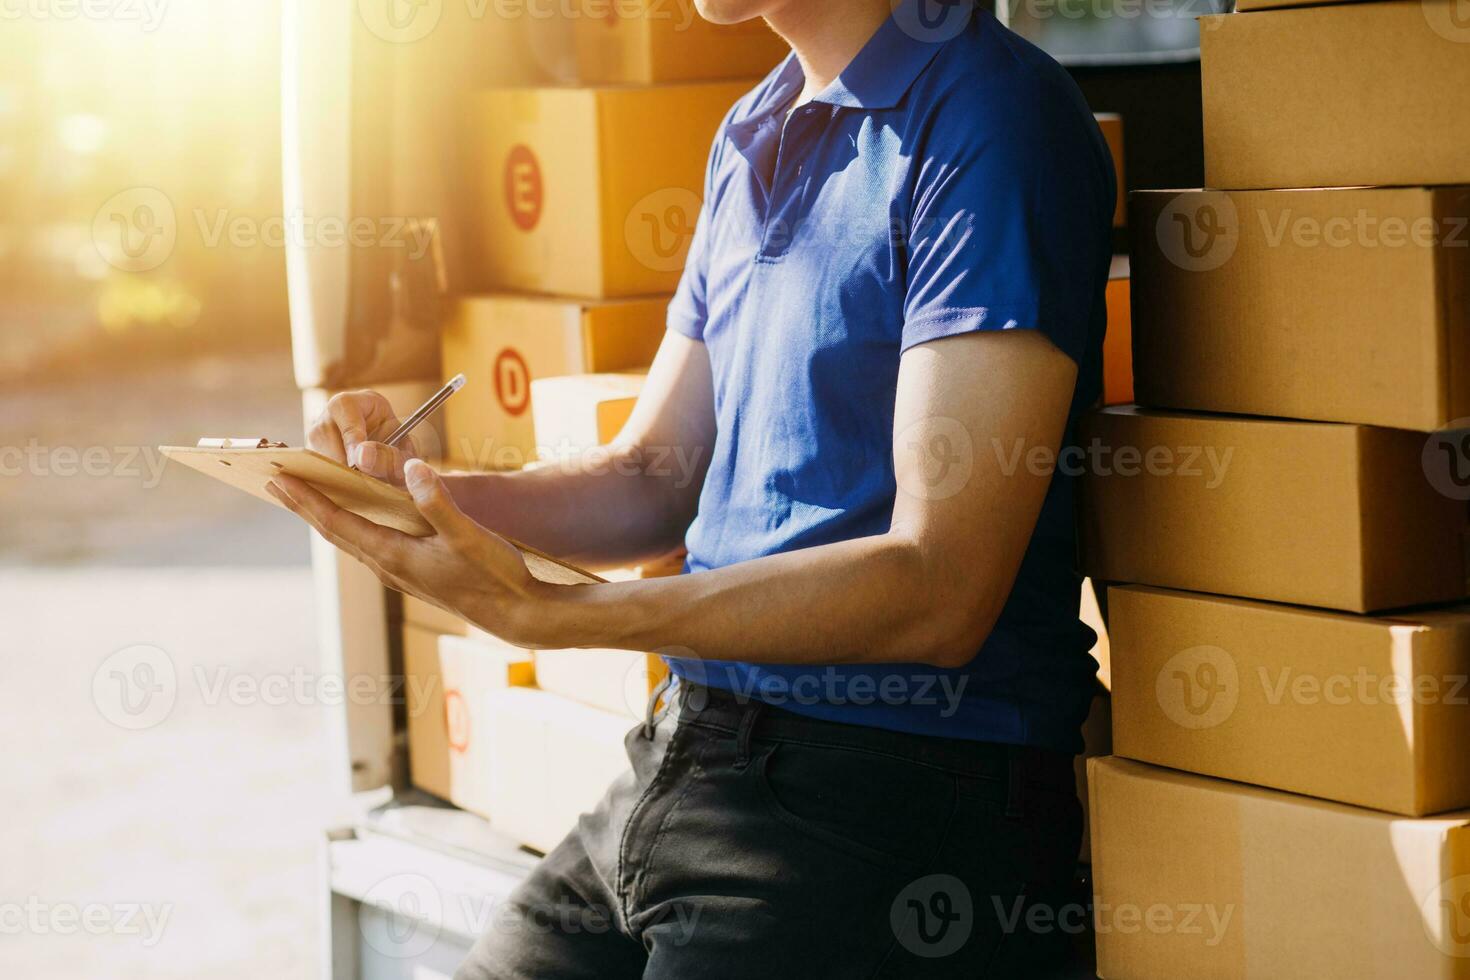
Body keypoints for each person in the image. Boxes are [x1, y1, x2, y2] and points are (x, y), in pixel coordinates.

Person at [272, 0, 1115, 974]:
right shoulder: (753, 128)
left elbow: (943, 587)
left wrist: (566, 616)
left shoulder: (993, 117)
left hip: (895, 794)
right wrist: (405, 489)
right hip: (685, 753)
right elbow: (647, 479)